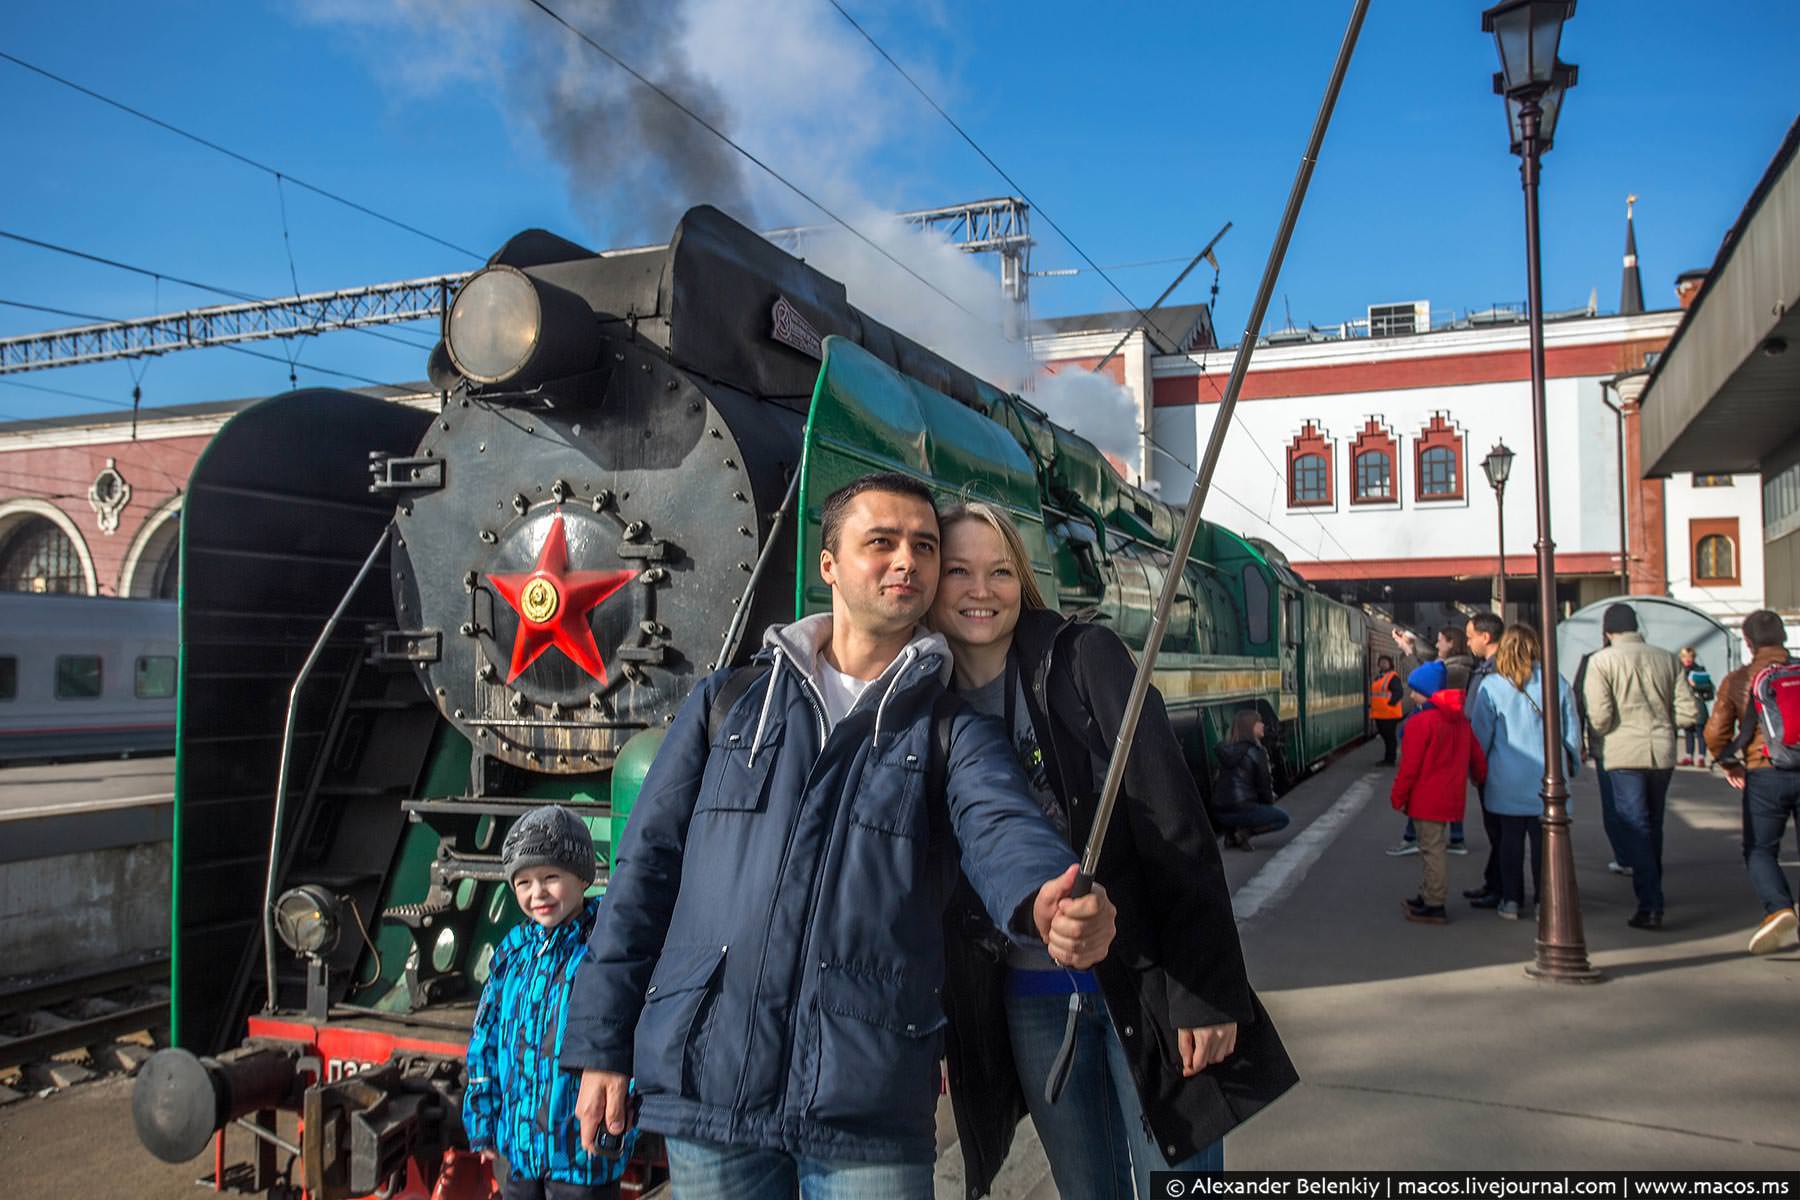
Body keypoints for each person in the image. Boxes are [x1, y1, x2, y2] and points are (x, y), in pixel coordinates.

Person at [561, 473, 1118, 1200]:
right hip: (709, 1087)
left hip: (868, 1100)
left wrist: (1048, 895)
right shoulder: (725, 706)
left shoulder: (952, 732)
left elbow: (1002, 826)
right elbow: (643, 877)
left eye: (923, 546)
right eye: (880, 542)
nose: (907, 562)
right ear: (829, 565)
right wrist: (603, 1045)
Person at [927, 501, 1295, 1199]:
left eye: (1001, 571)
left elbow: (1175, 822)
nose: (982, 590)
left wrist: (1206, 994)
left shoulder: (1082, 659)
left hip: (1147, 981)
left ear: (1024, 579)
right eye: (959, 572)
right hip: (1030, 996)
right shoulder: (925, 698)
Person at [465, 805, 630, 1200]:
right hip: (520, 1152)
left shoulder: (604, 947)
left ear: (582, 877)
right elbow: (484, 1042)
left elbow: (622, 1032)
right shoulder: (512, 953)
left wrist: (620, 1120)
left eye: (550, 877)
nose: (537, 893)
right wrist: (483, 1120)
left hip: (582, 1153)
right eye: (524, 882)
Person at [1582, 603, 1700, 930]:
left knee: (1635, 823)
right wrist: (1662, 723)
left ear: (1608, 632)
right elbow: (1689, 713)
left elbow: (1601, 717)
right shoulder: (1667, 658)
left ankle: (1650, 902)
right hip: (1661, 750)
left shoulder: (1601, 662)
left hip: (1623, 751)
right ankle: (1653, 890)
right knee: (1654, 821)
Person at [1466, 625, 1583, 920]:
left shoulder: (1491, 686)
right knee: (1546, 846)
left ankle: (1511, 901)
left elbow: (1481, 736)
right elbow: (1571, 732)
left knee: (1509, 843)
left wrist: (1476, 771)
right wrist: (1572, 766)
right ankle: (1546, 901)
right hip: (1548, 780)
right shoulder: (1557, 682)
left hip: (1506, 779)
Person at [1704, 609, 1800, 956]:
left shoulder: (1738, 679)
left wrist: (1730, 763)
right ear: (1784, 638)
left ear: (1748, 642)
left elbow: (1716, 731)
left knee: (1760, 849)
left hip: (1763, 771)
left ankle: (1779, 908)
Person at [1390, 660, 1486, 924]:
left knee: (1431, 851)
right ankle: (1428, 894)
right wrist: (1481, 778)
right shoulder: (1460, 721)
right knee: (1431, 849)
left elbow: (1409, 767)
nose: (1411, 695)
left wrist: (1398, 796)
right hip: (1451, 796)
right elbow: (1476, 757)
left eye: (1415, 690)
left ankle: (1434, 903)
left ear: (1427, 692)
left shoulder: (1421, 723)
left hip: (1426, 798)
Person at [1387, 624, 1474, 856]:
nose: (1437, 645)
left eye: (1440, 640)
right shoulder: (1456, 666)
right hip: (1450, 732)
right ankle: (1455, 838)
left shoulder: (1454, 670)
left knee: (1422, 784)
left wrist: (1407, 652)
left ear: (1451, 643)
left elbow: (1423, 680)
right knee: (1449, 785)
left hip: (1440, 730)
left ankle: (1413, 837)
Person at [1212, 709, 1293, 850]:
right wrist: (1268, 805)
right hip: (1244, 811)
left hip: (1221, 814)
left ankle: (1231, 834)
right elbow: (1264, 788)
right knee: (1282, 818)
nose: (1262, 725)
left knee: (1245, 809)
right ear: (1250, 727)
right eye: (1258, 722)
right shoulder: (1256, 752)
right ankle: (1244, 833)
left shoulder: (1227, 750)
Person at [1677, 646, 1715, 767]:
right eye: (1684, 657)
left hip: (1698, 704)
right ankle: (1688, 755)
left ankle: (1701, 757)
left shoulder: (1700, 670)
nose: (1687, 659)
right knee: (1688, 731)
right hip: (1685, 704)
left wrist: (1695, 685)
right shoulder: (1679, 671)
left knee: (1700, 732)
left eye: (1690, 656)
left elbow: (1709, 689)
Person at [1370, 655, 1404, 765]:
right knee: (1385, 736)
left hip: (1389, 713)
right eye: (1381, 662)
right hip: (1380, 713)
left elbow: (1398, 692)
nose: (1383, 664)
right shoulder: (1379, 676)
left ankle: (1390, 760)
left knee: (1389, 737)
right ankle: (1388, 758)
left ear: (1390, 664)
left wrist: (1390, 703)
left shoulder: (1392, 677)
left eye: (1385, 662)